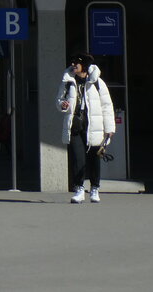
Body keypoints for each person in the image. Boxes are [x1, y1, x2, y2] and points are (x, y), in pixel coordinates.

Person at [59, 53, 115, 203]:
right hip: (76, 125)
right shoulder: (68, 81)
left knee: (94, 158)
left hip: (94, 125)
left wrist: (109, 128)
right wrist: (63, 105)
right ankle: (78, 189)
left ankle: (95, 188)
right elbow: (59, 100)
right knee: (78, 158)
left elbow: (107, 106)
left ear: (84, 65)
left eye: (76, 62)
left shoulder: (97, 82)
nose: (73, 65)